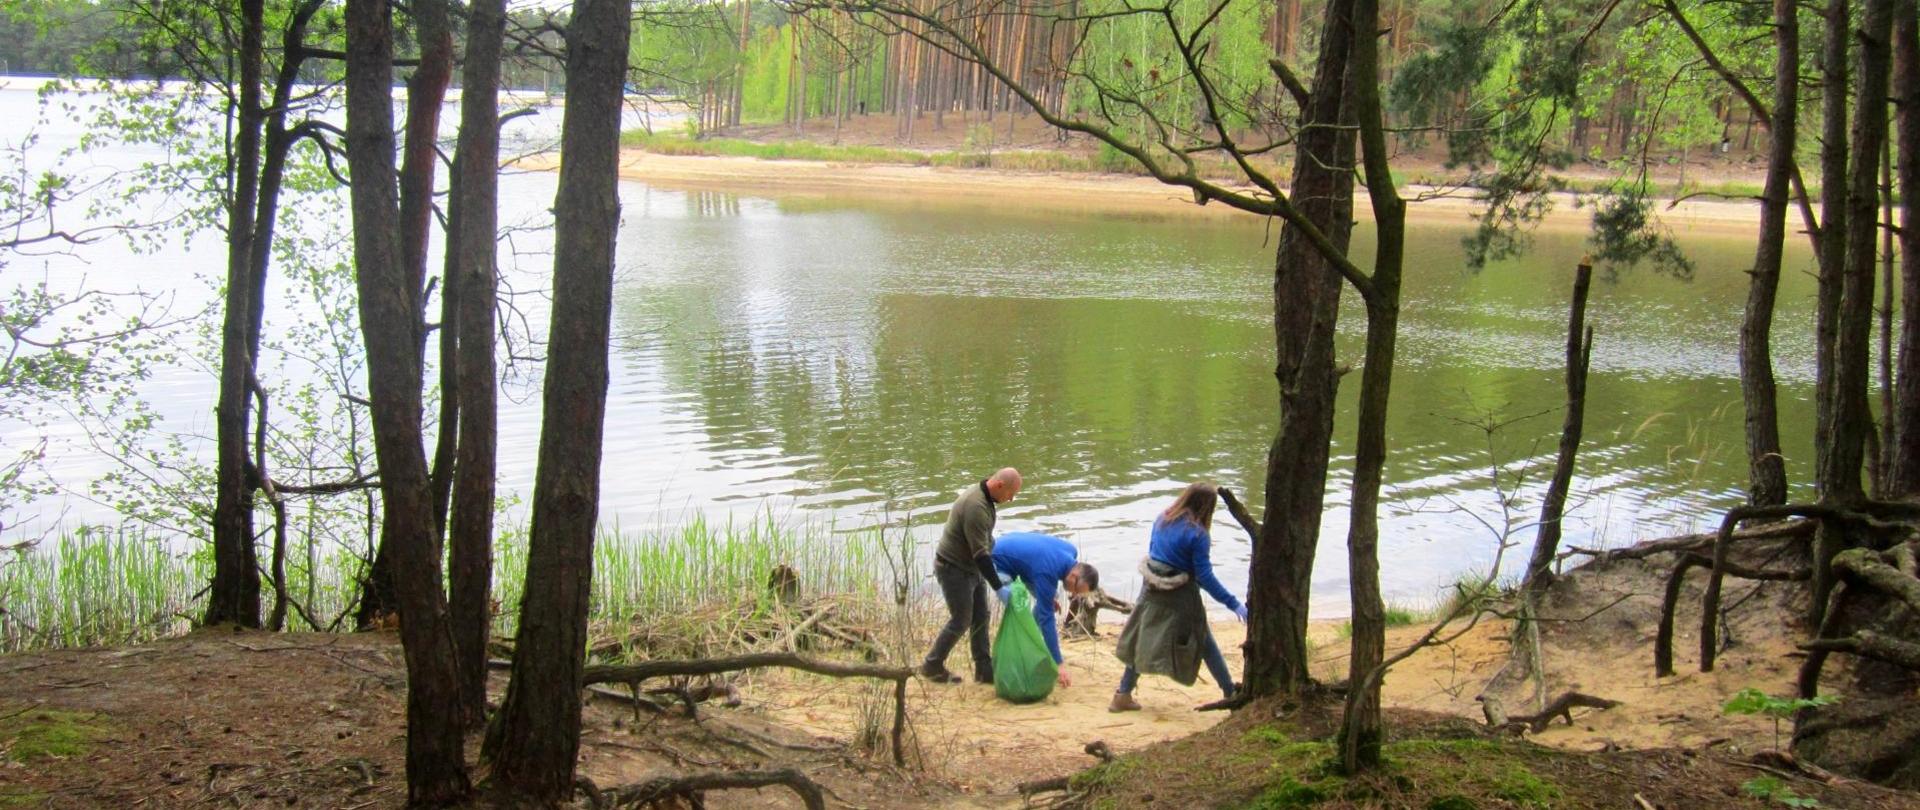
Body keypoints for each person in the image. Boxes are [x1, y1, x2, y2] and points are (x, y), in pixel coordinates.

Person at [1111, 481, 1245, 711]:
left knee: (1141, 638)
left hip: (1150, 586)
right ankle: (1230, 692)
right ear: (1207, 507)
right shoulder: (1198, 534)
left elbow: (1154, 550)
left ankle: (1122, 695)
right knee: (1203, 640)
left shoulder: (1162, 518)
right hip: (1180, 593)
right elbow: (1204, 576)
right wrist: (1233, 604)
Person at [921, 467, 1022, 684]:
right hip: (953, 568)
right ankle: (932, 665)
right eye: (1010, 494)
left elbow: (984, 542)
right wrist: (998, 586)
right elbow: (980, 555)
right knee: (961, 620)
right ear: (999, 485)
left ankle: (984, 669)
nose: (1011, 499)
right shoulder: (975, 506)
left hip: (971, 568)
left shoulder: (986, 499)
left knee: (981, 617)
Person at [991, 531, 1099, 687]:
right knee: (1017, 606)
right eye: (1076, 589)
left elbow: (1038, 569)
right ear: (1074, 576)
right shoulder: (1048, 571)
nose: (1073, 594)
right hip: (996, 560)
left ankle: (1029, 640)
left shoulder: (1071, 551)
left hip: (1023, 559)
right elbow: (1047, 619)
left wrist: (1048, 599)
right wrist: (1058, 663)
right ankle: (1018, 649)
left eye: (1077, 593)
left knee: (1049, 597)